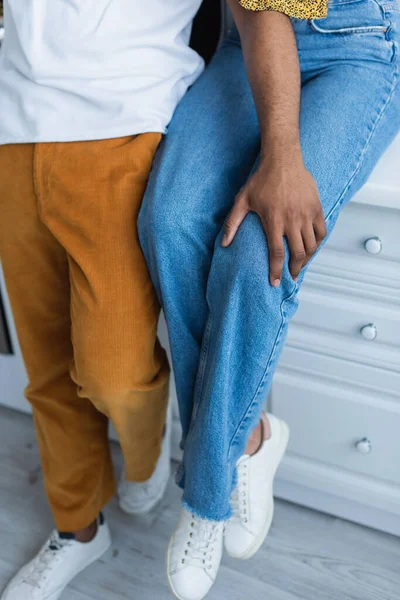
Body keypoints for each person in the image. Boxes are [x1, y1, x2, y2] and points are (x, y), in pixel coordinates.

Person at [139, 0, 400, 597]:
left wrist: (285, 163)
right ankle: (250, 436)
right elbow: (260, 12)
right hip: (248, 38)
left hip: (359, 46)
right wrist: (280, 156)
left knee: (258, 250)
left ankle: (205, 496)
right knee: (170, 222)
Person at [0, 1, 205, 599]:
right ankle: (78, 529)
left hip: (127, 119)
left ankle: (145, 453)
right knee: (47, 368)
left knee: (114, 370)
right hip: (15, 126)